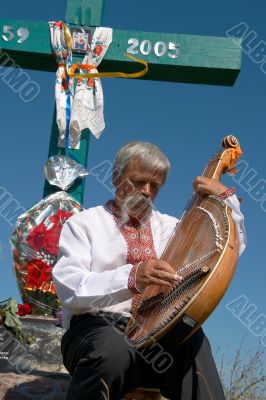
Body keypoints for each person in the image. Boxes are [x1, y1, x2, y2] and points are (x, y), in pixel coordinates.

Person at [52, 141, 246, 400]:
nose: (146, 191)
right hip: (96, 329)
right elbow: (69, 287)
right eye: (139, 181)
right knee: (113, 349)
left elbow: (222, 251)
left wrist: (227, 200)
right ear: (116, 177)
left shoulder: (172, 229)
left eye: (154, 186)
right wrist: (132, 277)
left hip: (159, 334)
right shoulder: (84, 224)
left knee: (194, 343)